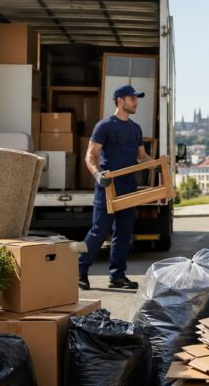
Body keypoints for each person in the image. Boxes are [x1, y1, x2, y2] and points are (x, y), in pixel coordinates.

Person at [78, 84, 153, 290]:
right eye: (133, 99)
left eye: (136, 99)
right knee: (99, 231)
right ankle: (80, 270)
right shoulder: (105, 126)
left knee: (124, 233)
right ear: (120, 100)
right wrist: (97, 174)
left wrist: (158, 164)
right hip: (108, 186)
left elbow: (141, 156)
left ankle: (117, 276)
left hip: (129, 185)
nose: (136, 102)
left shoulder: (135, 128)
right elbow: (90, 155)